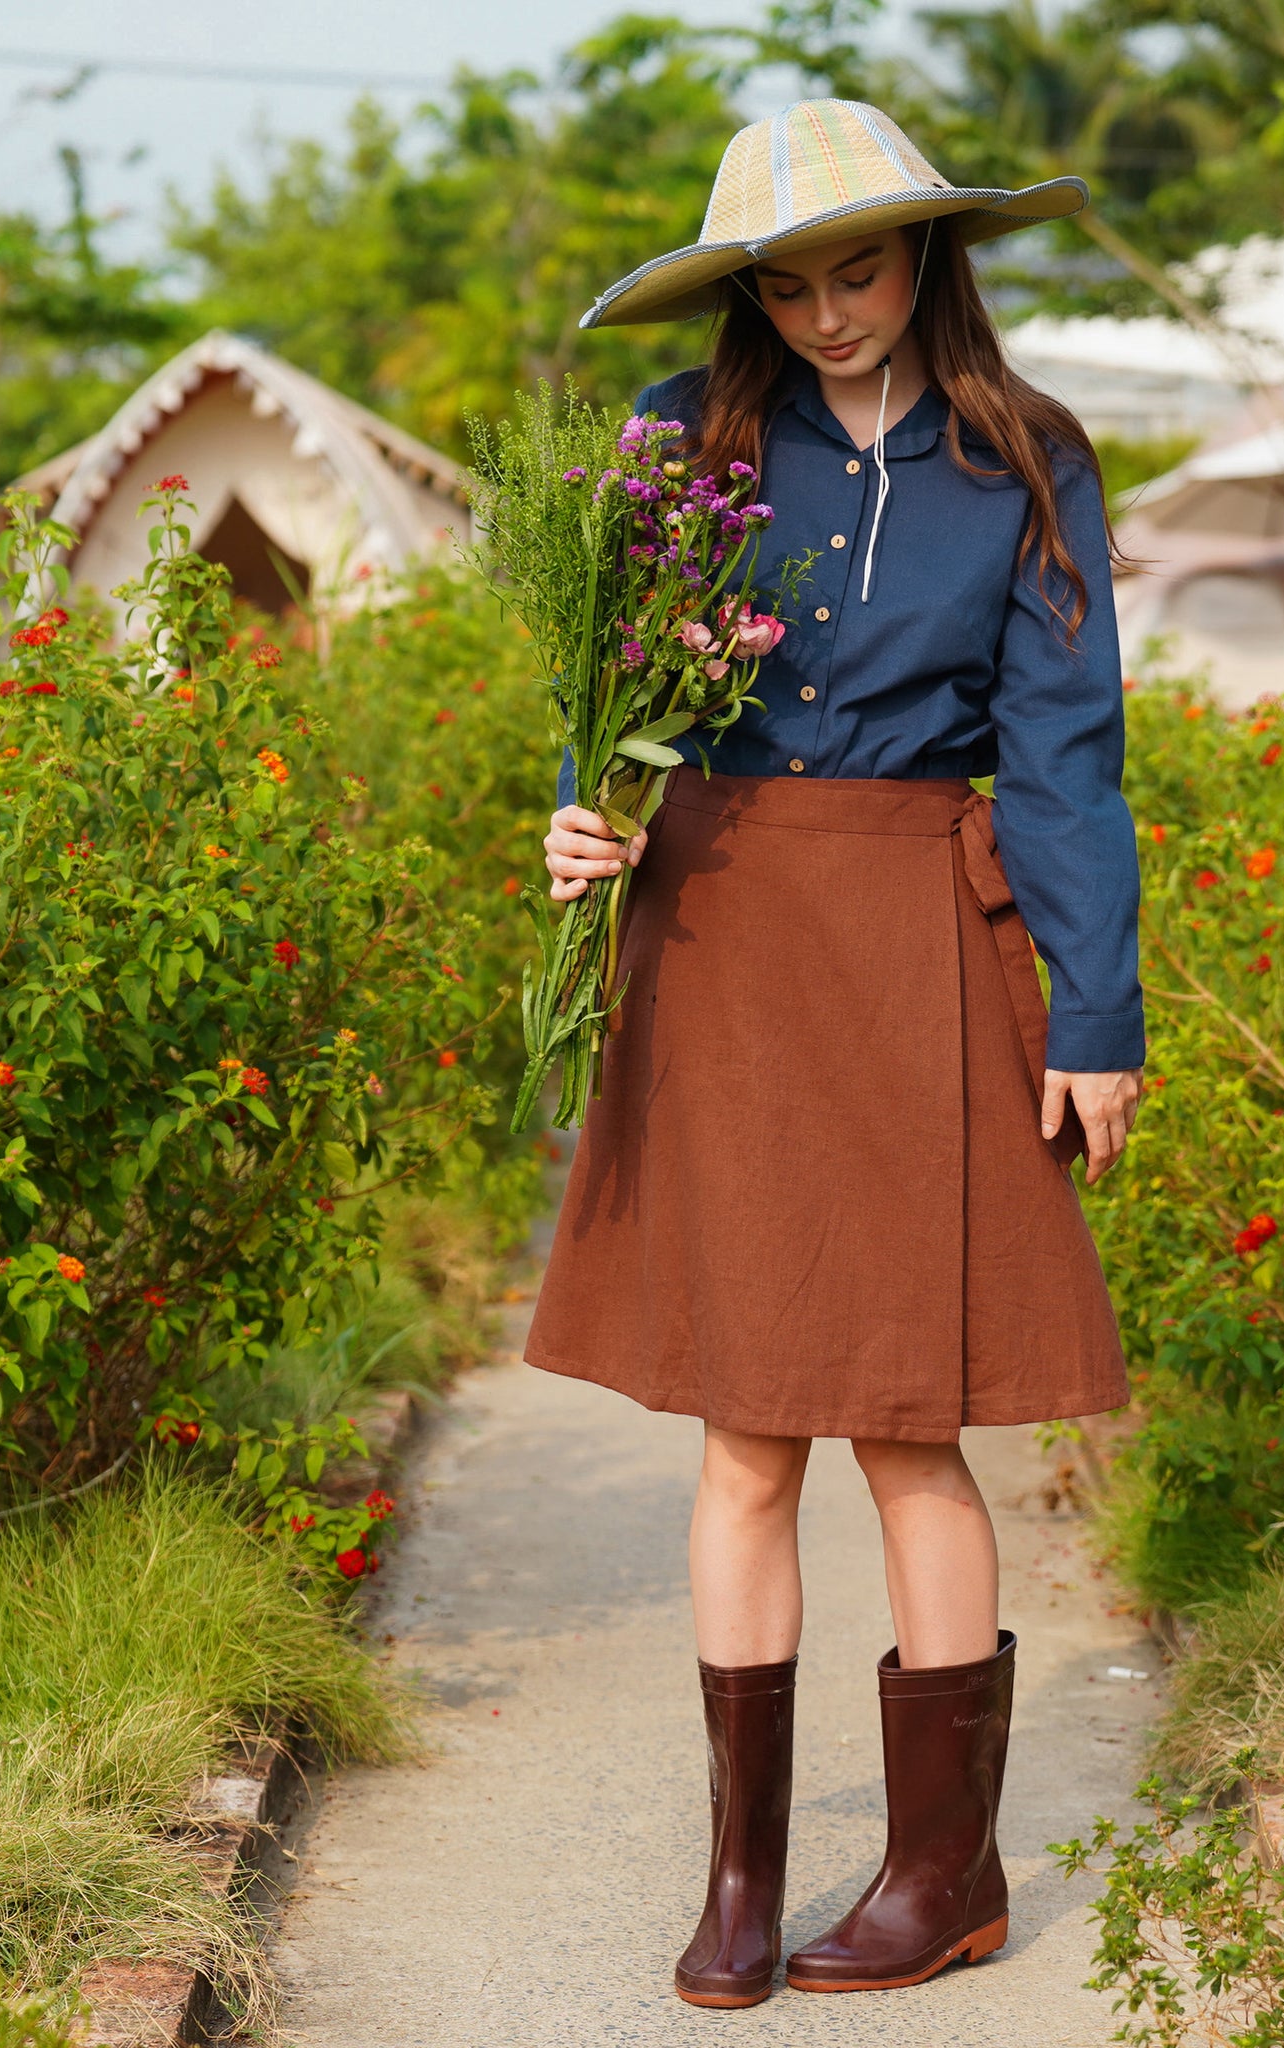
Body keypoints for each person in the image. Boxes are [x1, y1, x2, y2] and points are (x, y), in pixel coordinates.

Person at [530, 98, 1145, 2008]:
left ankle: (942, 1875)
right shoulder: (680, 444)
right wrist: (583, 815)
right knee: (744, 1428)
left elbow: (1067, 754)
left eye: (857, 271)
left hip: (911, 940)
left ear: (928, 256)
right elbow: (608, 695)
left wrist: (1096, 1016)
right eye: (785, 288)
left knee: (905, 1422)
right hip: (716, 929)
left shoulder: (1027, 460)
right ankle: (741, 1880)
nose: (826, 313)